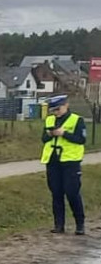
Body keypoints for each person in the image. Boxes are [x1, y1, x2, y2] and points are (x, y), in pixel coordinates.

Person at [42, 95, 87, 235]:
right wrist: (50, 134)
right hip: (53, 161)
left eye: (58, 109)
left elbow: (81, 139)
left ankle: (80, 224)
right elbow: (43, 138)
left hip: (70, 162)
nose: (56, 112)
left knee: (72, 193)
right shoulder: (49, 120)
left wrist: (64, 134)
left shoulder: (77, 120)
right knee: (56, 193)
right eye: (53, 110)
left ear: (66, 105)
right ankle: (59, 225)